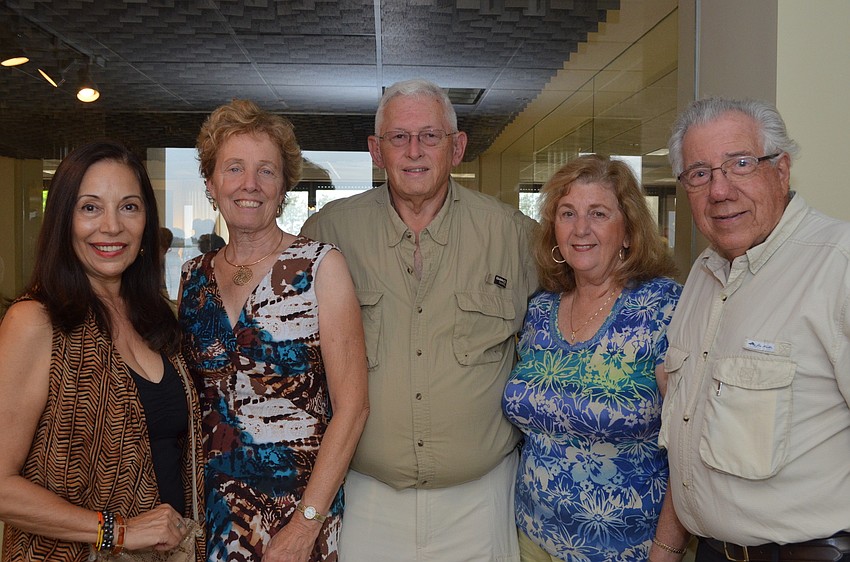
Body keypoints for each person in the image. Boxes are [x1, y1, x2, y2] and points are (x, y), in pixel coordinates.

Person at [300, 78, 538, 562]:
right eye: (398, 137)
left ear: (457, 147)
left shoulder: (515, 237)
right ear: (375, 150)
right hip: (367, 499)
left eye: (430, 136)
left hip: (480, 501)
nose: (414, 151)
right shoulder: (328, 234)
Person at [660, 97, 850, 561]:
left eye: (740, 164)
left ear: (781, 170)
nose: (719, 191)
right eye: (699, 173)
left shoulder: (838, 264)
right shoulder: (702, 277)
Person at [179, 99, 369, 562]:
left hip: (295, 515)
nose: (250, 184)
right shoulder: (192, 277)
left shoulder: (321, 266)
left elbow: (353, 409)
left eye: (266, 171)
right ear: (210, 183)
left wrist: (306, 525)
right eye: (234, 169)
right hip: (209, 513)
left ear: (284, 185)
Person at [0, 140, 204, 561]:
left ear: (147, 222)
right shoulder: (36, 321)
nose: (111, 227)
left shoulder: (158, 320)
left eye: (128, 207)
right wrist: (117, 531)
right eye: (90, 207)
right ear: (63, 219)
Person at [502, 154, 682, 561]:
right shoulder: (540, 310)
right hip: (530, 537)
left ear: (628, 231)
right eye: (568, 214)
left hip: (629, 549)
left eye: (598, 213)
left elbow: (689, 451)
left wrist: (667, 550)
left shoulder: (664, 309)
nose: (580, 229)